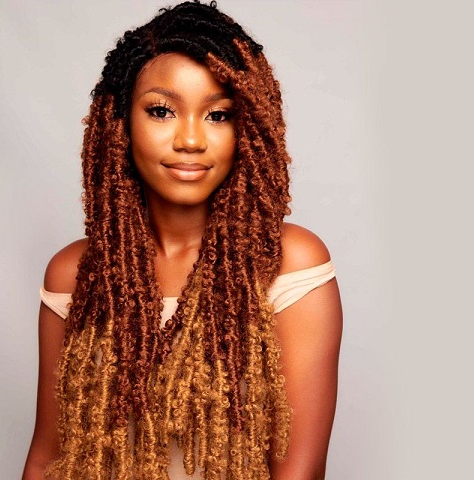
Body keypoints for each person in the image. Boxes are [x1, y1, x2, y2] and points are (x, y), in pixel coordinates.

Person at [22, 2, 343, 479]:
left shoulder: (289, 265)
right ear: (120, 124)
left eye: (218, 115)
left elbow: (299, 471)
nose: (190, 140)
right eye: (161, 111)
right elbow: (49, 455)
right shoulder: (75, 274)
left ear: (248, 129)